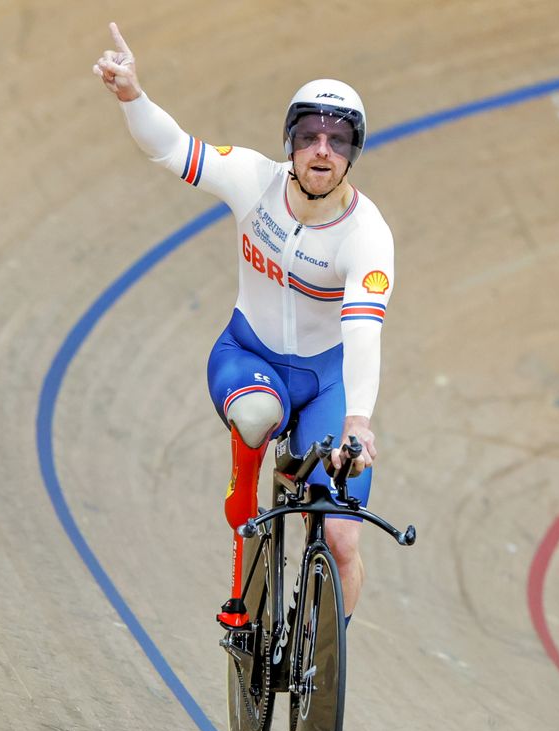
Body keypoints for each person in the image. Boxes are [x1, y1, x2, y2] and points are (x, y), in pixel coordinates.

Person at [93, 22, 395, 629]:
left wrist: (358, 424)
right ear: (290, 141)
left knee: (342, 540)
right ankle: (244, 514)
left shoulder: (368, 236)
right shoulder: (253, 178)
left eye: (338, 140)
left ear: (352, 153)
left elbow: (363, 332)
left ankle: (319, 663)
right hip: (249, 353)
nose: (321, 149)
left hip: (326, 382)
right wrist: (132, 94)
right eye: (309, 134)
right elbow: (172, 148)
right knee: (257, 415)